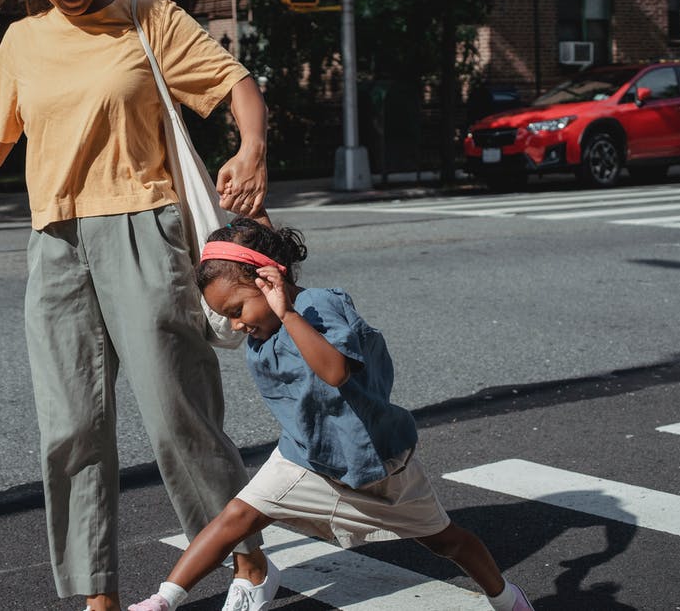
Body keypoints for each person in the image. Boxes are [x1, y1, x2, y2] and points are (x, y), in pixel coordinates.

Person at [0, 0, 276, 609]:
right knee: (71, 429)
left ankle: (246, 559)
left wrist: (251, 146)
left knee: (178, 416)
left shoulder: (149, 19)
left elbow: (237, 82)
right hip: (55, 245)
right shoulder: (22, 41)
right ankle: (99, 596)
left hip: (144, 229)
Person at [128, 218, 535, 611]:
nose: (234, 325)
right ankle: (163, 600)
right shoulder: (265, 321)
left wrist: (287, 313)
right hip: (306, 457)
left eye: (236, 309)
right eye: (226, 316)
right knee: (237, 516)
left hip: (376, 462)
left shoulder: (315, 307)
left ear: (269, 282)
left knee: (448, 543)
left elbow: (335, 371)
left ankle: (506, 599)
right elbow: (266, 252)